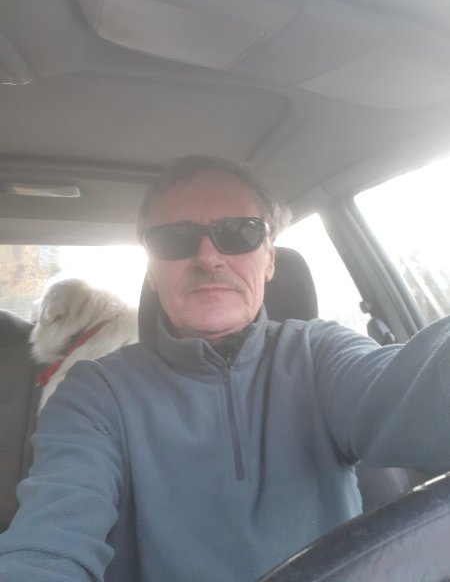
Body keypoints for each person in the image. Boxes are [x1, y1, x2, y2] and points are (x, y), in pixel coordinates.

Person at [0, 155, 450, 582]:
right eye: (175, 238)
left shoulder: (321, 353)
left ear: (269, 258)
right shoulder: (96, 391)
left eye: (238, 232)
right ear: (153, 270)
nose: (208, 256)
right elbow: (50, 537)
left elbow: (418, 390)